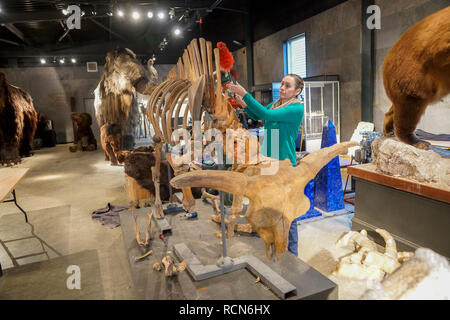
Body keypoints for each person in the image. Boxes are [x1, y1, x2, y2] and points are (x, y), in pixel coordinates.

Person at [225, 74, 305, 257]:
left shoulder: (295, 109)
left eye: (288, 85)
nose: (283, 88)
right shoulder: (276, 104)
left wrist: (244, 93)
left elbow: (265, 114)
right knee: (271, 209)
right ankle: (275, 247)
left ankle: (292, 255)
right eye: (282, 84)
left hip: (284, 167)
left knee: (286, 214)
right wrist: (240, 100)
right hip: (269, 164)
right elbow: (256, 114)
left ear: (297, 91)